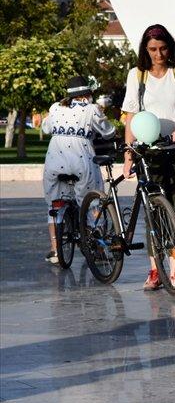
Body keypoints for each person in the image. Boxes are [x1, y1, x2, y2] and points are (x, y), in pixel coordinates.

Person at [120, 24, 175, 291]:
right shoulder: (137, 75)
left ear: (169, 47)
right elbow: (130, 116)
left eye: (163, 48)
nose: (158, 54)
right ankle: (155, 269)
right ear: (145, 50)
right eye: (152, 49)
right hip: (149, 151)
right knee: (153, 209)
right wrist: (129, 153)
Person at [41, 76, 115, 265]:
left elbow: (46, 127)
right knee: (92, 202)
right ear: (88, 94)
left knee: (54, 206)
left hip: (55, 162)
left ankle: (56, 250)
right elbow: (108, 131)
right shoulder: (92, 109)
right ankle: (96, 245)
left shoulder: (55, 108)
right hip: (81, 161)